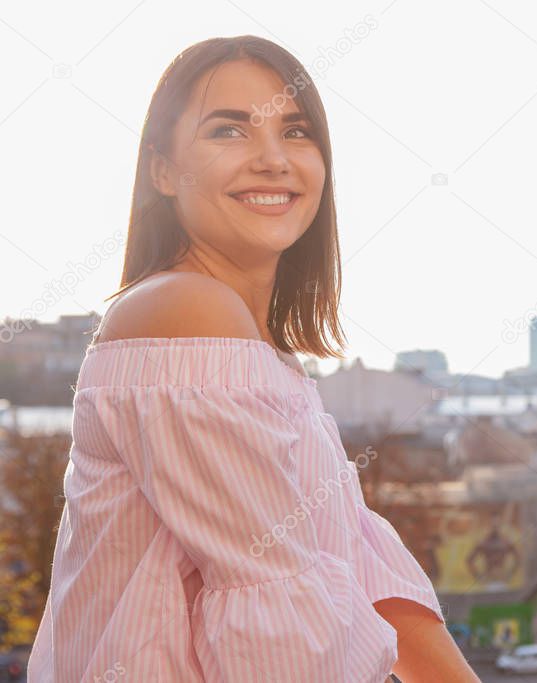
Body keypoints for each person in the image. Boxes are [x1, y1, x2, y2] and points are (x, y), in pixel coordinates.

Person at [27, 35, 480, 683]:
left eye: (295, 130)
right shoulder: (185, 314)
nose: (272, 158)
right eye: (229, 130)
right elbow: (280, 646)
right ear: (161, 170)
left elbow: (365, 569)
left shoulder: (261, 356)